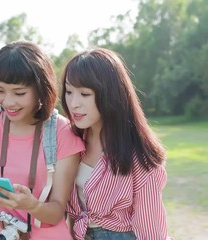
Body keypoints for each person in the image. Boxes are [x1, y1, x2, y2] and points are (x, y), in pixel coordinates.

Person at [0, 41, 85, 240]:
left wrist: (31, 205)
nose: (8, 102)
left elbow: (56, 213)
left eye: (19, 93)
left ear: (40, 89)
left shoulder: (61, 132)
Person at [61, 48, 168, 240]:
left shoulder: (138, 154)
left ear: (110, 95)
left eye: (84, 94)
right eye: (69, 92)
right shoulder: (68, 138)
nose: (73, 103)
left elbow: (151, 227)